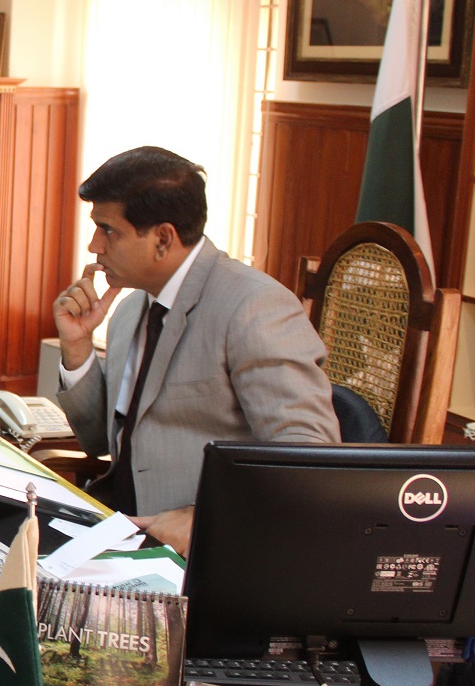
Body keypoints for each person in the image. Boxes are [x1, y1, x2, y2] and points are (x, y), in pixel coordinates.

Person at [52, 146, 339, 554]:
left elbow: (309, 458)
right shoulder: (131, 307)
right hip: (117, 526)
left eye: (107, 229)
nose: (94, 246)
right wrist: (77, 346)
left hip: (202, 549)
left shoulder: (253, 306)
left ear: (163, 239)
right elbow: (101, 439)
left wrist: (202, 516)